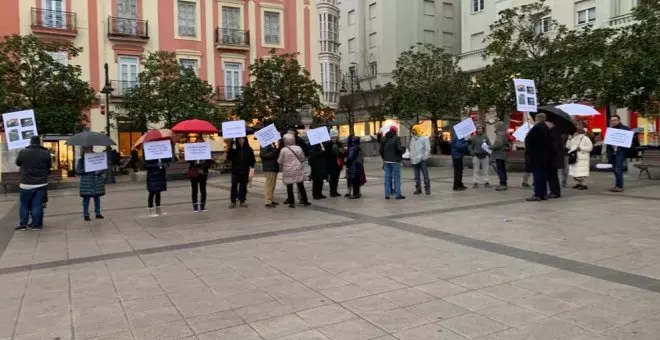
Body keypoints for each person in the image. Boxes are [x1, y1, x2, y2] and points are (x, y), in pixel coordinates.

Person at [15, 136, 51, 230]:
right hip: (41, 183)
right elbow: (49, 166)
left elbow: (18, 163)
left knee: (24, 205)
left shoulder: (23, 152)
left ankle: (23, 224)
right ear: (39, 143)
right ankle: (35, 225)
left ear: (30, 142)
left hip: (25, 183)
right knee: (37, 205)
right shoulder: (45, 153)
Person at [525, 113, 553, 201]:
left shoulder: (536, 128)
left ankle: (537, 194)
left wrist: (528, 135)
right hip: (545, 156)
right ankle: (543, 194)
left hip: (536, 156)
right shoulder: (546, 128)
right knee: (543, 175)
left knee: (537, 175)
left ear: (537, 119)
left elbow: (529, 140)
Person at [278, 133, 311, 208]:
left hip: (288, 170)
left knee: (289, 187)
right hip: (298, 169)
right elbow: (302, 158)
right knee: (301, 186)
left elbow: (280, 161)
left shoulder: (283, 150)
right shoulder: (298, 148)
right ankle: (305, 201)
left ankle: (291, 202)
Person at [77, 147, 105, 221]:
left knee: (97, 198)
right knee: (86, 199)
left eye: (90, 148)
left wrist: (99, 172)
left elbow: (102, 168)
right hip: (87, 182)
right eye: (87, 148)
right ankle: (86, 214)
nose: (89, 150)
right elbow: (78, 171)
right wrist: (87, 169)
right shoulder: (81, 160)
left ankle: (98, 213)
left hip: (96, 181)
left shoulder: (96, 157)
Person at [227, 137, 255, 208]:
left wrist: (251, 167)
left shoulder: (249, 149)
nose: (241, 140)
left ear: (245, 140)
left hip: (245, 170)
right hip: (235, 171)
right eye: (239, 139)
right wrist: (231, 149)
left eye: (242, 139)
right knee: (234, 186)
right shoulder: (234, 148)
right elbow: (229, 158)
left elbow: (253, 160)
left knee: (243, 186)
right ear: (237, 140)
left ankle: (242, 200)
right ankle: (233, 201)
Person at [380, 125, 406, 199]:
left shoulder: (384, 138)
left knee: (387, 177)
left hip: (386, 161)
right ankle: (398, 194)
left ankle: (387, 194)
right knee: (397, 177)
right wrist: (403, 149)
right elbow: (399, 149)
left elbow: (380, 150)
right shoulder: (396, 138)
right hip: (395, 161)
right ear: (395, 131)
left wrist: (384, 158)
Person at [566, 122, 593, 190]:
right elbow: (568, 146)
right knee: (575, 172)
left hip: (582, 157)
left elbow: (590, 147)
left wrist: (581, 148)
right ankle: (579, 183)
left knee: (580, 173)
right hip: (574, 157)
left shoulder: (585, 138)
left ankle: (583, 184)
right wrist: (569, 139)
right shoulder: (573, 138)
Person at [188, 138, 213, 213]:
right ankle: (195, 206)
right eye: (198, 143)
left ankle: (202, 206)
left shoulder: (206, 151)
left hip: (203, 173)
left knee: (203, 190)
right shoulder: (192, 151)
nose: (199, 144)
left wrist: (202, 165)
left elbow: (209, 163)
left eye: (201, 143)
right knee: (194, 190)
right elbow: (188, 160)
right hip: (194, 173)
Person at [607, 114, 630, 192]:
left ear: (619, 120)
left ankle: (620, 186)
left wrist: (619, 144)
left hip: (621, 151)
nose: (613, 122)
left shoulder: (625, 129)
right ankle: (617, 185)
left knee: (618, 169)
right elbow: (608, 142)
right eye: (611, 120)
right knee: (614, 169)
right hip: (612, 152)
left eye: (615, 120)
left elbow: (628, 142)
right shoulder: (610, 130)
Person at [409, 125, 431, 195]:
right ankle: (418, 189)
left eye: (415, 130)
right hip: (414, 160)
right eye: (413, 130)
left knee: (425, 175)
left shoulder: (424, 138)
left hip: (422, 160)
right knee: (416, 176)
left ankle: (427, 189)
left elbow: (427, 149)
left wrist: (424, 157)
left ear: (418, 130)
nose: (413, 131)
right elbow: (411, 148)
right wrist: (411, 157)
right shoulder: (412, 139)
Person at [546, 121, 566, 198]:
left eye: (547, 123)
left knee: (552, 176)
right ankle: (554, 191)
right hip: (554, 158)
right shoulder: (555, 132)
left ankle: (555, 192)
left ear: (551, 123)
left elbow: (554, 146)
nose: (546, 124)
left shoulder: (554, 132)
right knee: (552, 176)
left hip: (553, 158)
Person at [469, 125, 491, 189]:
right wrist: (473, 154)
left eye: (481, 128)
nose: (480, 130)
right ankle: (475, 182)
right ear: (476, 130)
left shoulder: (486, 137)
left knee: (486, 170)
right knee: (476, 170)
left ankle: (486, 182)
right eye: (478, 129)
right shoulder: (473, 138)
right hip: (476, 156)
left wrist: (489, 153)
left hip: (485, 155)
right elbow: (470, 146)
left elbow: (489, 145)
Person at [260, 142, 280, 208]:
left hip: (273, 166)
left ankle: (270, 199)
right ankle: (267, 201)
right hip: (269, 167)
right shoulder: (264, 144)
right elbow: (263, 155)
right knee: (269, 185)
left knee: (272, 185)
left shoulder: (271, 144)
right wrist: (274, 151)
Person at [328, 130, 344, 197]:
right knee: (332, 178)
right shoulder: (328, 144)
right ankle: (332, 191)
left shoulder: (339, 143)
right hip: (331, 164)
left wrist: (341, 151)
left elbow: (342, 153)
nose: (334, 139)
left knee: (336, 178)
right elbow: (327, 154)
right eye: (332, 137)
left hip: (338, 163)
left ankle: (335, 191)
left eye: (335, 137)